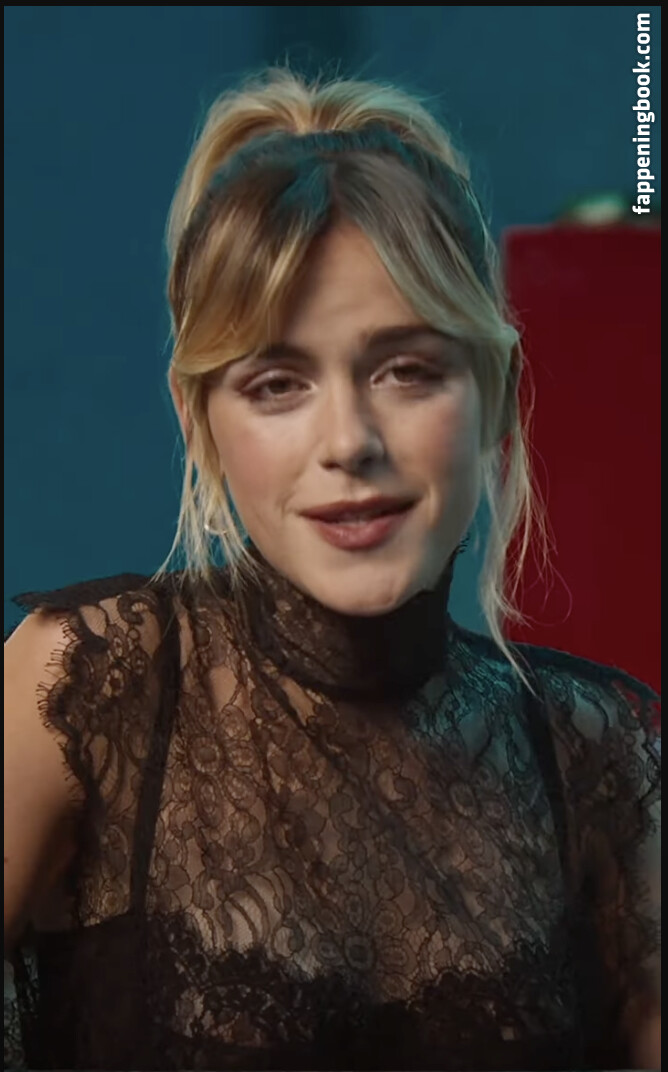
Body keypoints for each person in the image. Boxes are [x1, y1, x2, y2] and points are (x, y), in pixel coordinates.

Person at [4, 67, 660, 1072]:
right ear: (199, 420)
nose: (349, 440)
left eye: (407, 369)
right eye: (277, 383)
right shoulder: (88, 686)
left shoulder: (597, 752)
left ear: (495, 390)